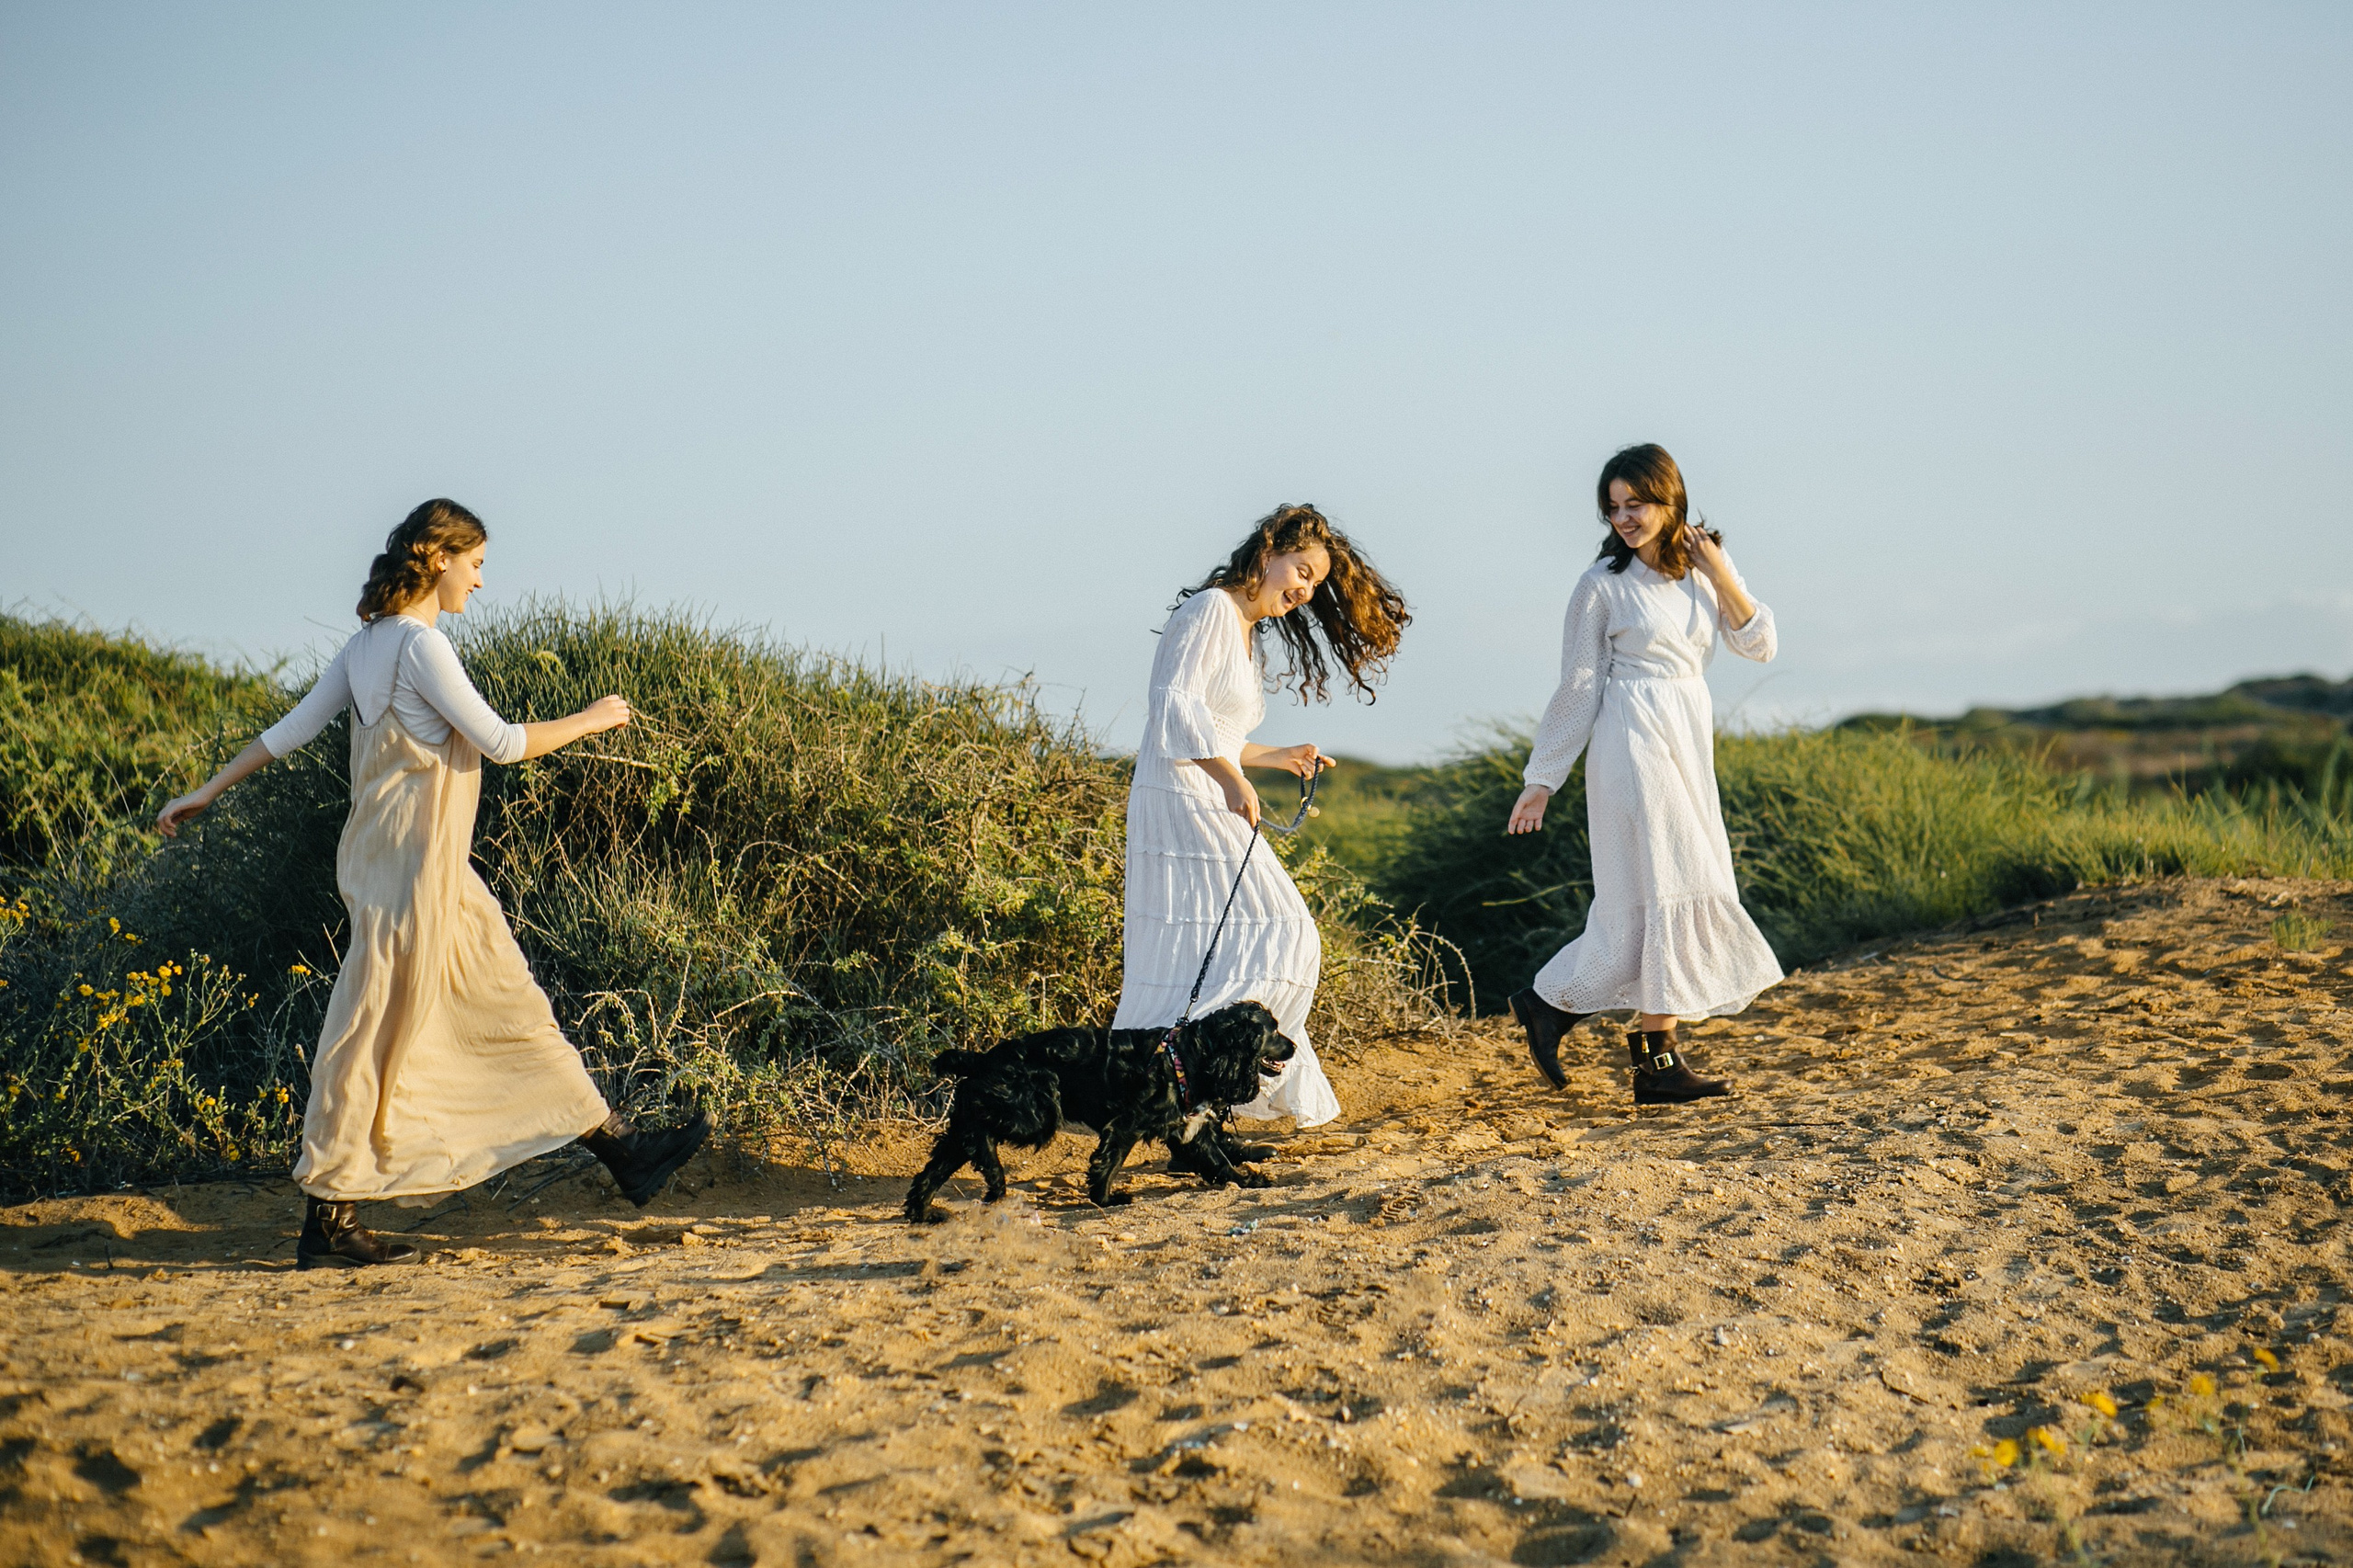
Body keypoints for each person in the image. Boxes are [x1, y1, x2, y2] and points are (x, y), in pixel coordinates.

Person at [157, 500, 709, 1268]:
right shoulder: (420, 647)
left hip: (409, 871)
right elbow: (503, 743)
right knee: (372, 1035)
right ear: (437, 557)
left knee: (507, 1006)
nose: (480, 581)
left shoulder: (363, 648)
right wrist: (589, 718)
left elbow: (289, 732)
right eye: (475, 563)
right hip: (416, 877)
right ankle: (329, 1220)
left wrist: (208, 790)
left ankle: (622, 1150)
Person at [1112, 503, 1410, 1131]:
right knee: (1283, 928)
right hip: (1182, 793)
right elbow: (1171, 710)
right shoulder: (1211, 611)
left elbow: (1216, 730)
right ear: (1269, 550)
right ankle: (1198, 1077)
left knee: (1209, 944)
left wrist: (1277, 757)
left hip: (1205, 785)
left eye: (1314, 583)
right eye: (1300, 570)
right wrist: (1229, 780)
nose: (1303, 589)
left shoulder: (1244, 631)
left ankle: (1194, 1097)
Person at [1505, 445, 1783, 1105]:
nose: (1624, 518)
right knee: (1680, 884)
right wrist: (1543, 776)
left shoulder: (1703, 569)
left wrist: (1719, 572)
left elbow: (1760, 643)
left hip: (1686, 734)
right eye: (1614, 507)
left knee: (1669, 891)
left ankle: (1567, 1015)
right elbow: (1578, 683)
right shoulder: (1602, 584)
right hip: (1631, 740)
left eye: (1637, 504)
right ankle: (1637, 1053)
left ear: (1669, 499)